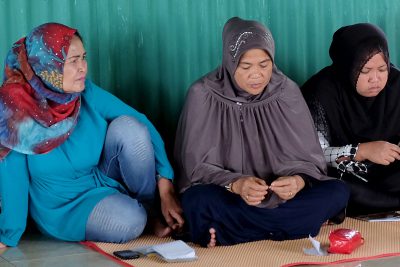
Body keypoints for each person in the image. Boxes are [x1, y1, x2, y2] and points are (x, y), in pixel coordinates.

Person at [0, 22, 184, 248]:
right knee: (130, 221)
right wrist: (9, 235)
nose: (83, 68)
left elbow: (140, 121)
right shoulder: (16, 113)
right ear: (47, 66)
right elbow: (13, 178)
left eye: (83, 58)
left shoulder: (85, 92)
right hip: (63, 209)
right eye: (73, 61)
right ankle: (142, 217)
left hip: (101, 179)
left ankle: (151, 210)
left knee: (130, 128)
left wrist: (165, 183)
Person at [174, 17, 349, 248]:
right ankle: (291, 227)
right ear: (230, 61)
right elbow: (195, 168)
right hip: (230, 195)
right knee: (198, 200)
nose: (257, 75)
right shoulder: (202, 94)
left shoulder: (286, 91)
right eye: (246, 67)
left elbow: (310, 161)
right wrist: (236, 184)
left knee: (337, 190)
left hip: (281, 199)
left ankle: (233, 231)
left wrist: (297, 181)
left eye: (264, 65)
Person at [302, 23, 400, 215]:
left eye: (382, 69)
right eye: (365, 71)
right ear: (347, 65)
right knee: (335, 189)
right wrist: (362, 151)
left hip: (389, 173)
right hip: (349, 174)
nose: (376, 79)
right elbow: (313, 155)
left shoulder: (396, 84)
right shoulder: (322, 91)